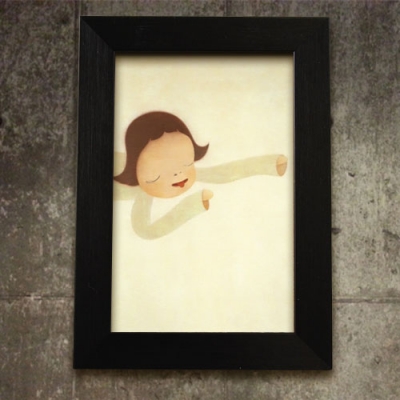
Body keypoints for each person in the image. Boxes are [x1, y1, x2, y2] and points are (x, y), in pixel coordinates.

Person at [114, 111, 287, 239]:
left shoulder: (189, 173)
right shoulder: (140, 193)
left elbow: (224, 173)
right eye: (157, 175)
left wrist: (269, 164)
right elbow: (145, 230)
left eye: (187, 162)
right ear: (134, 172)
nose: (178, 173)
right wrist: (193, 205)